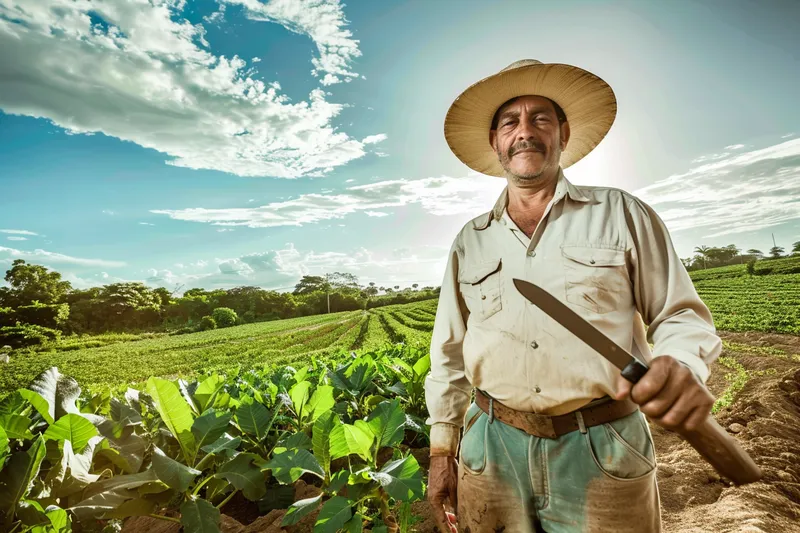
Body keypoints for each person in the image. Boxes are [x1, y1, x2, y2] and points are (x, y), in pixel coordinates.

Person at [424, 59, 722, 533]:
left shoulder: (621, 213)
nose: (525, 131)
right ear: (496, 142)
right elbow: (449, 354)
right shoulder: (471, 240)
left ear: (562, 132)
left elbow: (679, 313)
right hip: (491, 448)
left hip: (602, 445)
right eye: (510, 122)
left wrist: (681, 364)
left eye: (540, 118)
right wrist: (443, 449)